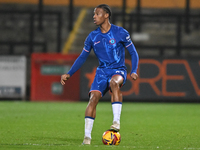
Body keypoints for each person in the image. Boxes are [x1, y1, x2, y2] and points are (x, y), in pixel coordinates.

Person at [60, 4, 139, 145]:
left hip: (118, 70)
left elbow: (133, 52)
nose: (94, 16)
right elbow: (82, 57)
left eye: (97, 14)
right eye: (94, 14)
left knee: (114, 83)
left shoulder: (120, 32)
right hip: (101, 72)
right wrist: (69, 73)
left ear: (106, 15)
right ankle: (87, 138)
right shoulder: (92, 36)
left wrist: (133, 70)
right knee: (93, 98)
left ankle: (116, 121)